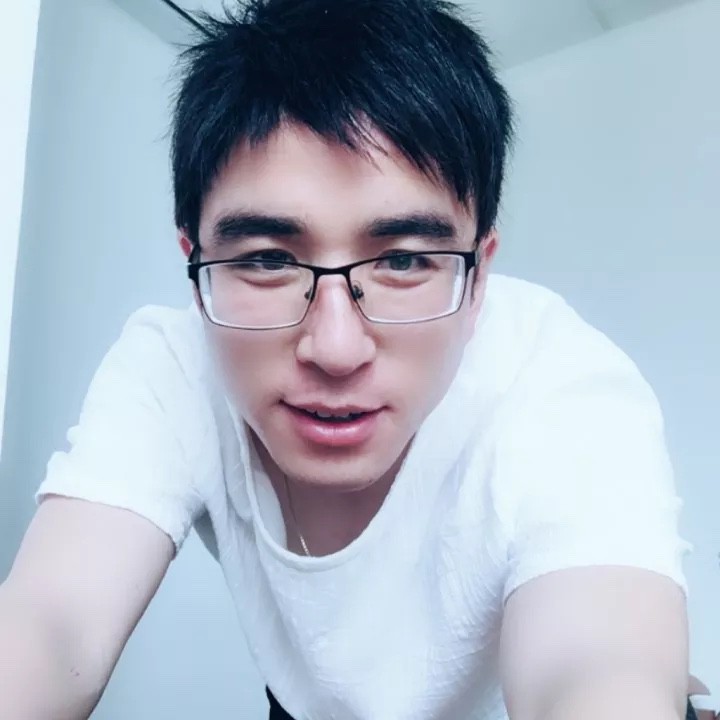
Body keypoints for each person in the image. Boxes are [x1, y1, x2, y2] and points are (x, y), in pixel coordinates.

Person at [0, 0, 691, 718]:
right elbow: (53, 623)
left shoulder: (564, 387)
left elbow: (597, 665)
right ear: (195, 263)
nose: (335, 348)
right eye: (268, 259)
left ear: (480, 276)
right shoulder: (173, 365)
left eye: (403, 260)